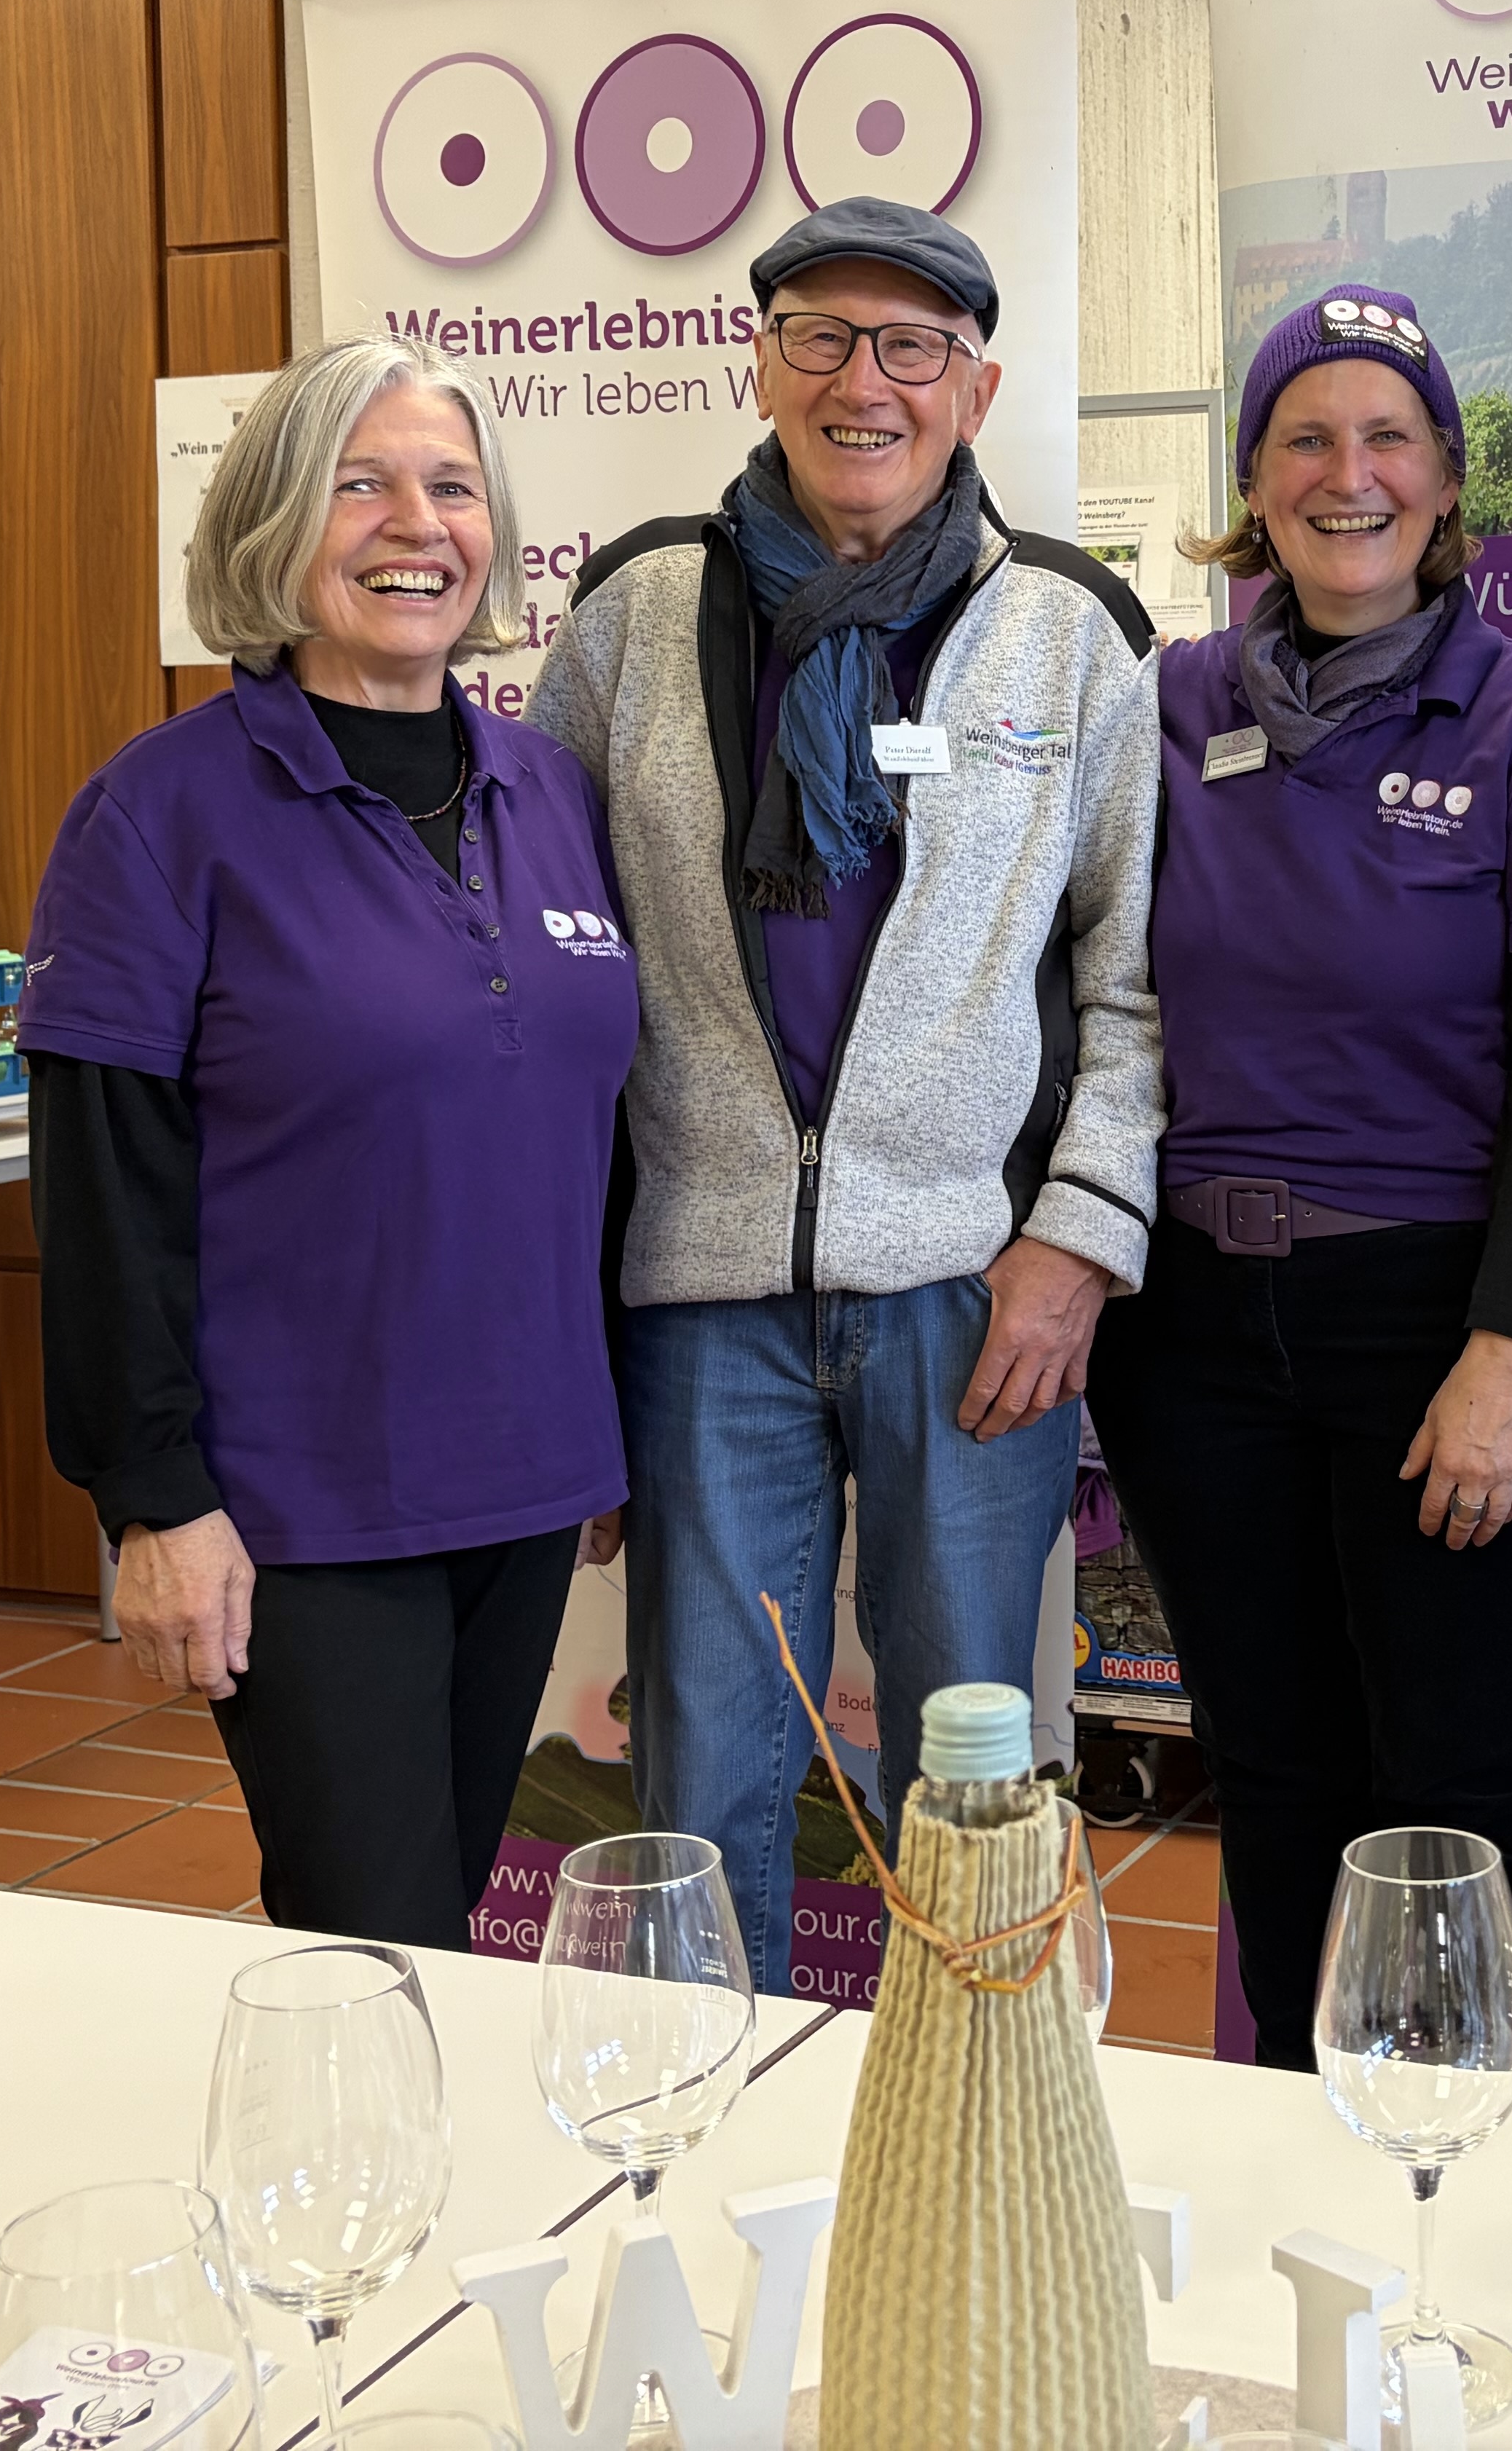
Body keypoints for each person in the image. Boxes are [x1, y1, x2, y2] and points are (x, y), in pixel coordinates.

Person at [527, 197, 1160, 1993]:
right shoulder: (639, 615)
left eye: (909, 349)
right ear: (761, 359)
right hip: (705, 1290)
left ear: (975, 388)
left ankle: (968, 2138)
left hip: (975, 1288)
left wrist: (1080, 1242)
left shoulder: (1069, 632)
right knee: (708, 1763)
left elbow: (1137, 978)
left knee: (968, 1772)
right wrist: (566, 1294)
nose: (861, 383)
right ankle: (699, 2144)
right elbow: (558, 950)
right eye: (819, 336)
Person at [1086, 284, 1512, 2103]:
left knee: (1466, 1780)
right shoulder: (1165, 710)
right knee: (1277, 1768)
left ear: (1444, 478)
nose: (1350, 476)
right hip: (1196, 1338)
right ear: (1253, 477)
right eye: (1307, 439)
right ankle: (1306, 2148)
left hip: (1449, 1319)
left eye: (1388, 436)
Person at [23, 336, 635, 1944]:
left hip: (521, 1477)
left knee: (451, 1913)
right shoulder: (157, 818)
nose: (412, 523)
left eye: (448, 485)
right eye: (358, 484)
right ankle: (352, 2195)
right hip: (304, 1501)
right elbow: (106, 1189)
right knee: (371, 1930)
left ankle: (414, 2189)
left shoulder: (550, 792)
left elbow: (593, 1129)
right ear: (275, 524)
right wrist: (153, 1500)